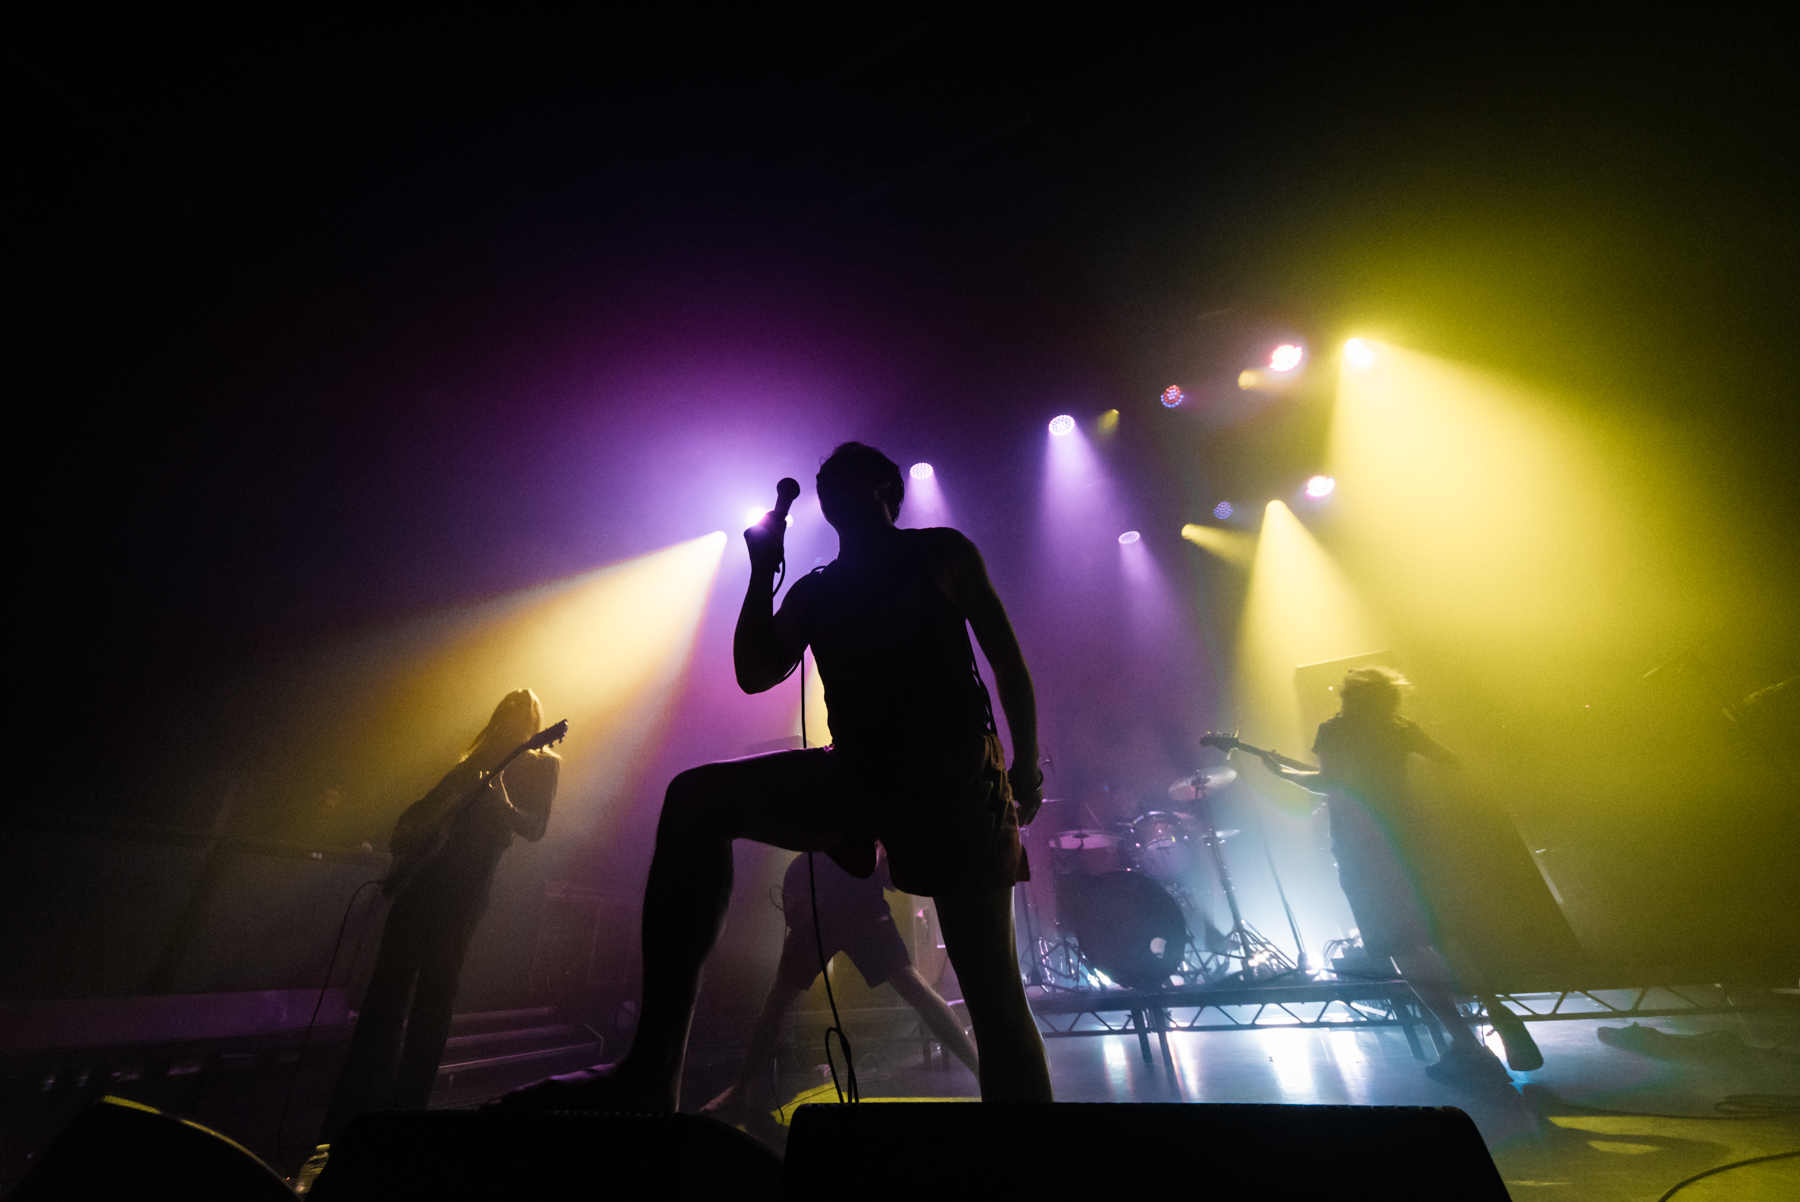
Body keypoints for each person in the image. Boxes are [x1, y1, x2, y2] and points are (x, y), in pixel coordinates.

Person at [498, 441, 1051, 1111]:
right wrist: (762, 570)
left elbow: (1007, 662)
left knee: (993, 990)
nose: (827, 484)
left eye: (842, 475)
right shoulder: (818, 589)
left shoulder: (940, 551)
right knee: (695, 798)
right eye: (825, 479)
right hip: (859, 771)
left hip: (952, 771)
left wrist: (1024, 766)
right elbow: (755, 671)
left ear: (886, 486)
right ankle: (652, 1069)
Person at [1255, 667, 1540, 1084]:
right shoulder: (1400, 727)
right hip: (1410, 839)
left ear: (1348, 696)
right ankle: (1498, 1012)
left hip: (1362, 847)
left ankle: (1466, 1046)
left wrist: (1281, 772)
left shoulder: (1334, 729)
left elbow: (1328, 781)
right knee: (1440, 935)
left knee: (1400, 946)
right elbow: (1451, 761)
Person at [321, 689, 559, 1140]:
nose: (511, 715)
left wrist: (503, 804)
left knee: (436, 993)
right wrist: (406, 829)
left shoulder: (541, 764)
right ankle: (360, 1097)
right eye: (506, 708)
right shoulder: (477, 757)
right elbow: (427, 805)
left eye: (520, 711)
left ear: (533, 722)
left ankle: (409, 1105)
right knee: (387, 988)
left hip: (467, 890)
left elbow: (536, 827)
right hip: (424, 880)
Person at [701, 850, 979, 1124]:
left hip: (847, 903)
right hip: (821, 905)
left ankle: (982, 1071)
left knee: (781, 999)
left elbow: (885, 871)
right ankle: (741, 1088)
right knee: (780, 999)